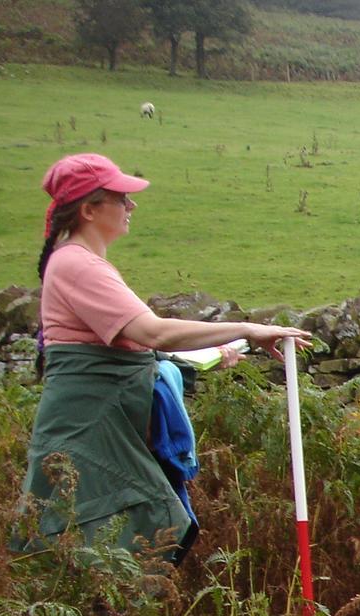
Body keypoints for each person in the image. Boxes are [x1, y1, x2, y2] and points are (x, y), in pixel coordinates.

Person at [24, 153, 314, 562]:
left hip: (97, 429)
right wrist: (247, 328)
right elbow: (153, 332)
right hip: (87, 435)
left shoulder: (80, 262)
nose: (132, 206)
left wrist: (217, 353)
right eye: (122, 198)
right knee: (94, 542)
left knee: (110, 543)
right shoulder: (77, 265)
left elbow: (131, 350)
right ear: (89, 209)